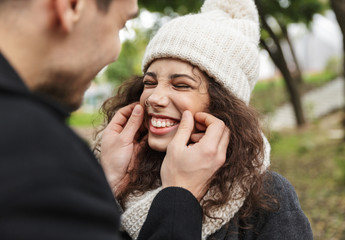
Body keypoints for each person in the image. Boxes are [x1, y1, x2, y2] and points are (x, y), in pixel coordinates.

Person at [0, 0, 229, 239]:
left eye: (181, 85)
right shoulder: (34, 155)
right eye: (121, 25)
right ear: (71, 6)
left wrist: (106, 183)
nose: (115, 52)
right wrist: (179, 196)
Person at [98, 0, 314, 239]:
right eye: (149, 83)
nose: (154, 98)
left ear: (223, 105)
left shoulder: (269, 195)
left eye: (181, 85)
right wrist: (106, 184)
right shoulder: (117, 181)